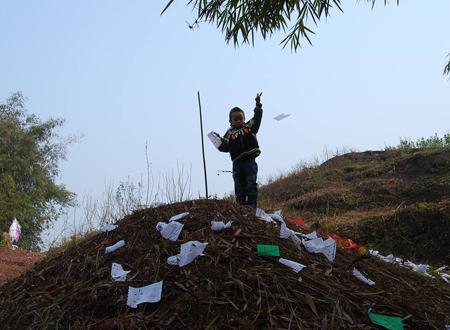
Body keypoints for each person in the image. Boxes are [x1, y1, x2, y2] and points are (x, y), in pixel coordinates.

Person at [212, 93, 263, 208]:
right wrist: (217, 139)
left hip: (250, 161)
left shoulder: (249, 127)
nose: (239, 120)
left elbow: (257, 118)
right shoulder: (229, 133)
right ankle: (241, 208)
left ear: (244, 119)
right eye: (236, 119)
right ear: (230, 121)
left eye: (241, 118)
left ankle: (251, 208)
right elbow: (224, 147)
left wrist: (258, 105)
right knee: (239, 187)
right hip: (237, 164)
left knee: (251, 185)